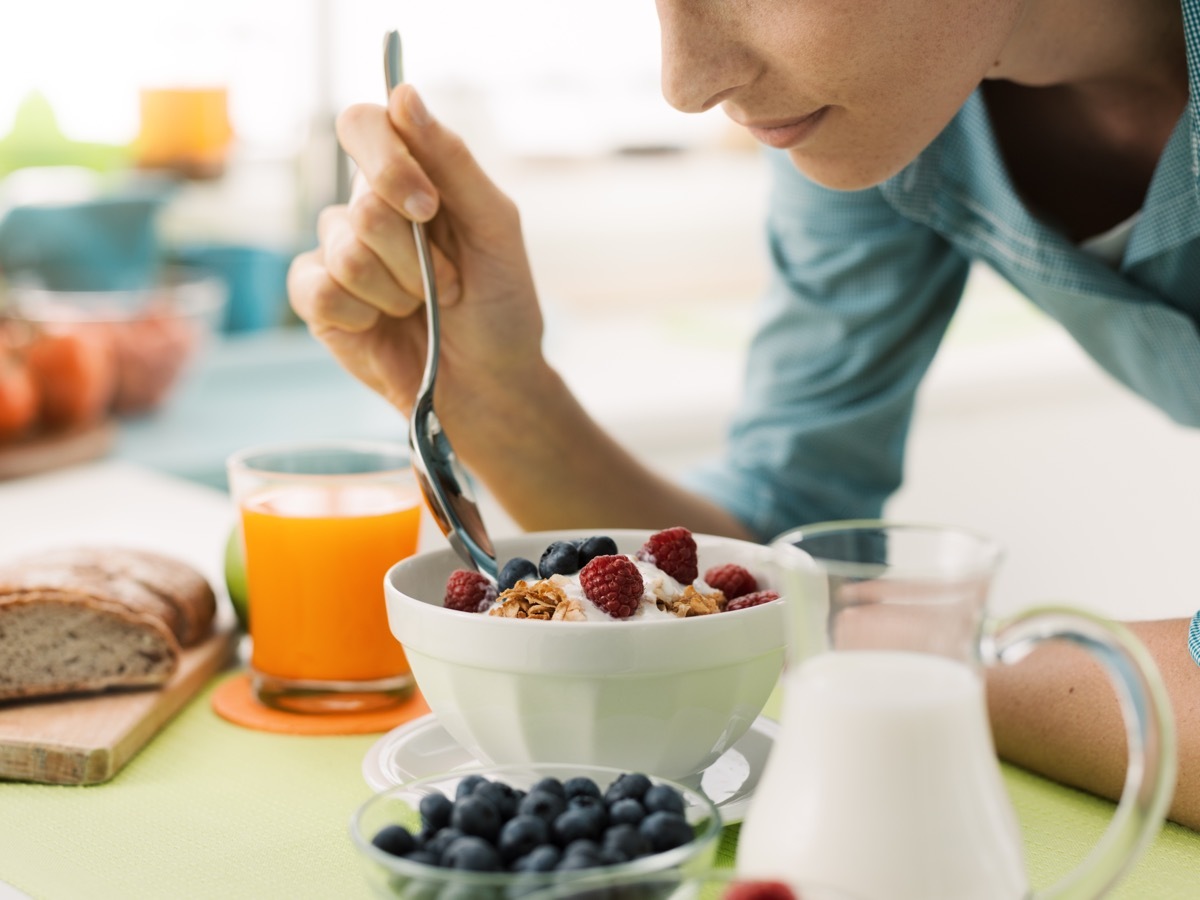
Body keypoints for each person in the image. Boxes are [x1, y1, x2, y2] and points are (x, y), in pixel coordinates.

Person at [288, 0, 1200, 829]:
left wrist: (892, 646)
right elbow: (767, 556)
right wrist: (495, 395)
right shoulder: (890, 103)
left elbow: (792, 611)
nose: (684, 84)